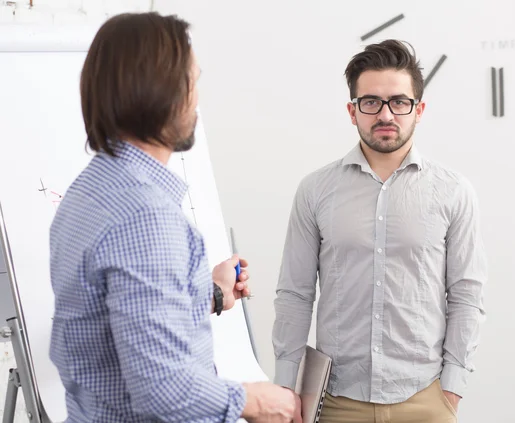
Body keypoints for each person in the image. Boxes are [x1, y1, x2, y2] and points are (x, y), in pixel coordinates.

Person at [49, 12, 300, 423]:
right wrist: (257, 400)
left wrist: (211, 293)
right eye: (193, 82)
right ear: (161, 91)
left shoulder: (89, 191)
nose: (197, 100)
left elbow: (120, 321)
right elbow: (163, 389)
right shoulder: (145, 217)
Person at [272, 39, 487, 423]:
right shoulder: (315, 190)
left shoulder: (454, 191)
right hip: (335, 400)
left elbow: (467, 295)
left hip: (425, 399)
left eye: (399, 102)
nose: (385, 114)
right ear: (351, 111)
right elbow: (294, 293)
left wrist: (451, 388)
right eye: (370, 102)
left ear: (418, 110)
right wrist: (286, 387)